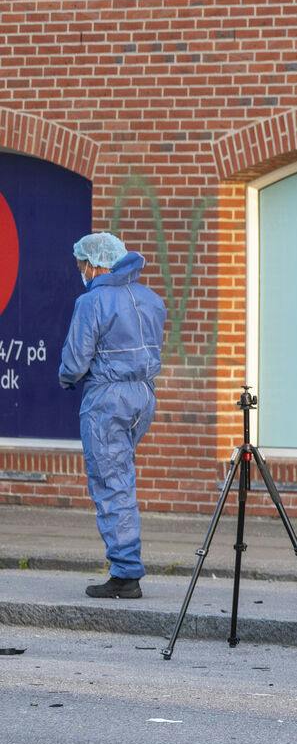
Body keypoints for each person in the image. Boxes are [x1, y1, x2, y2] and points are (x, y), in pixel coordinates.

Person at [58, 232, 167, 600]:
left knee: (111, 483)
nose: (81, 272)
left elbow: (75, 362)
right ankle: (125, 565)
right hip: (143, 397)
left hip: (108, 399)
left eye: (82, 265)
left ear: (95, 264)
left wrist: (66, 379)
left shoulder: (92, 302)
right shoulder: (151, 299)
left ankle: (125, 572)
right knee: (121, 476)